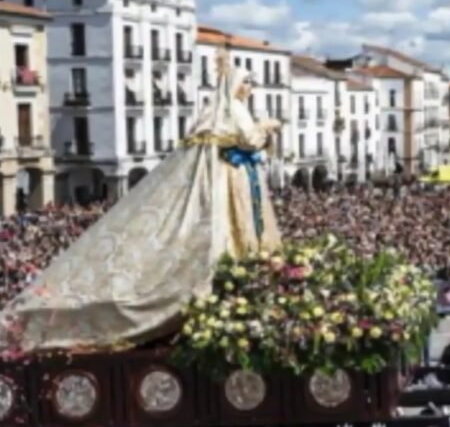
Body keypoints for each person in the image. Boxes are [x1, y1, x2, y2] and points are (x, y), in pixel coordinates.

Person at [1, 50, 283, 351]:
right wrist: (269, 126)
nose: (251, 86)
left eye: (252, 81)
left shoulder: (226, 109)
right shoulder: (234, 110)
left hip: (236, 179)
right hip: (229, 179)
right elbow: (250, 139)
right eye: (247, 81)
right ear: (235, 85)